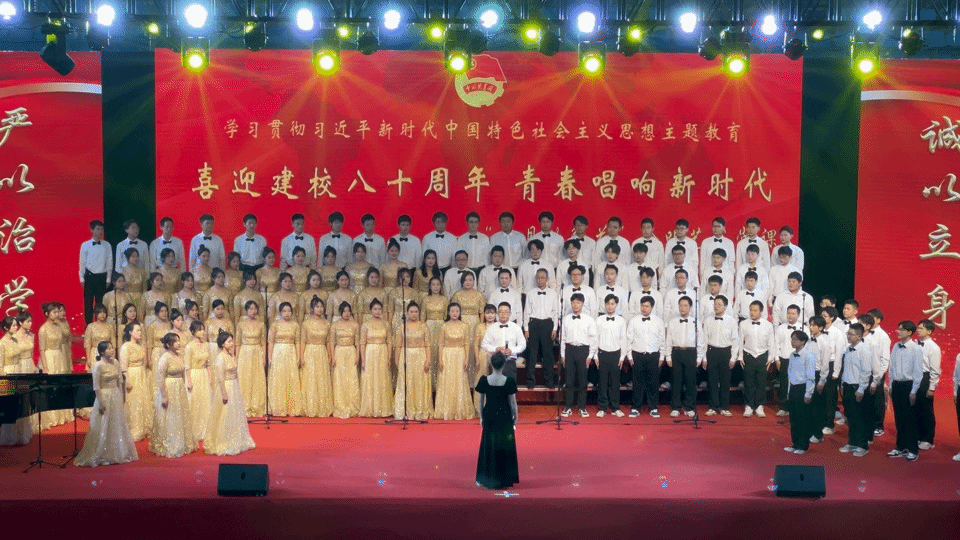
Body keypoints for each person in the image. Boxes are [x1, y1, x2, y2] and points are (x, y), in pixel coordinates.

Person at [75, 341, 138, 466]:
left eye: (112, 348)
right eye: (109, 348)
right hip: (104, 396)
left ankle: (117, 452)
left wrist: (121, 397)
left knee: (117, 422)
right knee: (103, 423)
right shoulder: (98, 366)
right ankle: (102, 453)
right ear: (102, 352)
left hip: (115, 395)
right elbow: (96, 386)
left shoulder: (116, 362)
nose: (112, 350)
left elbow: (119, 381)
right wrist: (101, 402)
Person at [205, 329, 257, 455]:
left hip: (234, 387)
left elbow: (236, 373)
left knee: (235, 413)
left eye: (232, 341)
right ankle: (224, 441)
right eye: (229, 341)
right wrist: (224, 393)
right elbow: (220, 378)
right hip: (226, 387)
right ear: (223, 344)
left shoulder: (231, 356)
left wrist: (238, 386)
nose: (232, 343)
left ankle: (237, 439)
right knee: (226, 413)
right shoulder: (220, 358)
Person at [475, 352, 519, 490]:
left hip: (489, 415)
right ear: (504, 364)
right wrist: (515, 417)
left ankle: (487, 477)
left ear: (491, 363)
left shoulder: (484, 380)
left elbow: (480, 402)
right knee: (505, 445)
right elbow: (513, 403)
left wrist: (481, 417)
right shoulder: (509, 381)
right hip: (504, 416)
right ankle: (505, 478)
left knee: (489, 445)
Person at [149, 332, 197, 457]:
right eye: (175, 341)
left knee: (180, 414)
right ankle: (169, 443)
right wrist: (164, 396)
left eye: (178, 340)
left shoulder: (179, 356)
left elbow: (183, 372)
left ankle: (182, 442)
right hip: (169, 387)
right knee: (170, 415)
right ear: (169, 344)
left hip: (179, 388)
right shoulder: (164, 358)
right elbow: (160, 378)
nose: (178, 343)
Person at [886, 320, 924, 461]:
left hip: (909, 385)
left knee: (910, 418)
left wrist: (914, 391)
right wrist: (890, 385)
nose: (898, 331)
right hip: (897, 385)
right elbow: (892, 367)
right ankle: (900, 447)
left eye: (901, 329)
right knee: (899, 417)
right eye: (898, 329)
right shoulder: (896, 346)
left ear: (909, 332)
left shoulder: (916, 348)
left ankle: (913, 449)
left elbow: (918, 372)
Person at [434, 303, 476, 420]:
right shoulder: (444, 326)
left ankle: (459, 409)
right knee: (447, 380)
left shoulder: (464, 326)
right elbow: (440, 343)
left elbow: (467, 343)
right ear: (448, 312)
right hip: (447, 355)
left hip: (460, 355)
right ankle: (446, 410)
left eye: (457, 311)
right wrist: (440, 359)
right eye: (452, 311)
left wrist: (467, 358)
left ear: (460, 312)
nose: (454, 313)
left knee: (459, 380)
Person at [559, 293, 598, 418]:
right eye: (573, 302)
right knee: (569, 380)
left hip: (583, 350)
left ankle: (582, 407)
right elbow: (563, 338)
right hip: (569, 350)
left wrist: (590, 355)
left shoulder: (589, 320)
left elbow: (593, 339)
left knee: (582, 381)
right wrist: (563, 354)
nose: (575, 305)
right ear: (571, 304)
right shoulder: (566, 319)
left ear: (582, 304)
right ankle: (568, 406)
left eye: (578, 302)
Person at [700, 295, 739, 417]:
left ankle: (724, 407)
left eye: (719, 304)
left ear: (725, 306)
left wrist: (733, 358)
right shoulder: (708, 320)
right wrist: (704, 357)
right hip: (712, 351)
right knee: (712, 381)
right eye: (715, 304)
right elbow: (704, 340)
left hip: (726, 352)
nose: (716, 306)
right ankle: (713, 406)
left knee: (725, 382)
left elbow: (735, 340)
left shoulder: (732, 321)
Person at [626, 296, 665, 418]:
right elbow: (629, 339)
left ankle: (653, 407)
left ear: (652, 307)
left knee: (653, 383)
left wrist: (662, 356)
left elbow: (662, 340)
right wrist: (629, 356)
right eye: (642, 305)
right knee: (637, 383)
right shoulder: (634, 321)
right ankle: (636, 407)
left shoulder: (658, 321)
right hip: (637, 355)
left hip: (653, 355)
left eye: (647, 306)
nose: (644, 308)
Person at [393, 302, 432, 420]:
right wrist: (397, 361)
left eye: (416, 312)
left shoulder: (424, 326)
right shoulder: (402, 327)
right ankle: (406, 410)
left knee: (420, 383)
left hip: (420, 356)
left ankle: (420, 409)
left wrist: (428, 360)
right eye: (411, 312)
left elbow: (427, 345)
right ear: (407, 313)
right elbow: (398, 346)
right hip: (406, 356)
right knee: (406, 383)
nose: (414, 314)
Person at [839, 323, 872, 457]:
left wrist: (861, 389)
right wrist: (842, 384)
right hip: (847, 386)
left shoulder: (864, 350)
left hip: (858, 387)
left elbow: (866, 371)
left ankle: (862, 445)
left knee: (860, 417)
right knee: (850, 416)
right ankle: (852, 442)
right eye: (848, 334)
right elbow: (846, 368)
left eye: (851, 334)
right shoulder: (848, 349)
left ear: (859, 336)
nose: (848, 336)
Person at [738, 301, 776, 418]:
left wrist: (771, 357)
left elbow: (771, 342)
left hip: (762, 355)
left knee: (761, 382)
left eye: (755, 310)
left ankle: (760, 405)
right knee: (748, 381)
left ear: (761, 311)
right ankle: (748, 405)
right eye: (751, 310)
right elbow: (740, 341)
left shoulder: (768, 325)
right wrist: (740, 356)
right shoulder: (743, 324)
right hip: (748, 354)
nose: (752, 312)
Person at [523, 268, 559, 389]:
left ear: (547, 279)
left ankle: (549, 381)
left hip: (547, 324)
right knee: (531, 355)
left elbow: (555, 312)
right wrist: (526, 329)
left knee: (548, 355)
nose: (540, 280)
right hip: (534, 323)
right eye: (538, 277)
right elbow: (527, 312)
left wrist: (555, 328)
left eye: (542, 277)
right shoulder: (530, 293)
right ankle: (530, 381)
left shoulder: (553, 294)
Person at [665, 296, 701, 417]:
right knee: (676, 381)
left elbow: (700, 341)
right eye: (680, 305)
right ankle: (676, 407)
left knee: (690, 381)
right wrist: (668, 356)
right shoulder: (673, 322)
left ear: (690, 307)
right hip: (676, 352)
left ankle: (689, 407)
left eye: (685, 305)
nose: (682, 308)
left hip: (691, 353)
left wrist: (699, 357)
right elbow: (669, 339)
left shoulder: (696, 322)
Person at [38, 304, 72, 428]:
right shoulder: (43, 329)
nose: (57, 314)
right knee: (51, 387)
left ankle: (61, 415)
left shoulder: (59, 327)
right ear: (47, 314)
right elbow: (42, 350)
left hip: (59, 356)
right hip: (49, 357)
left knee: (61, 385)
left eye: (57, 312)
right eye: (54, 312)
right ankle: (51, 417)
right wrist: (45, 367)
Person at [299, 296, 334, 417]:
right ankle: (310, 406)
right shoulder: (306, 323)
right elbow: (303, 341)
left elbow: (328, 341)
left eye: (321, 307)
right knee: (310, 378)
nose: (320, 309)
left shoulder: (327, 323)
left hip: (322, 352)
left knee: (322, 378)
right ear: (312, 309)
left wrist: (330, 355)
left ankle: (322, 406)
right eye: (317, 307)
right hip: (309, 352)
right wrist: (301, 356)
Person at [358, 299, 393, 417]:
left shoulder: (386, 324)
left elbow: (389, 342)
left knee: (382, 378)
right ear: (370, 310)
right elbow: (362, 343)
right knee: (370, 378)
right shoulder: (365, 325)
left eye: (379, 309)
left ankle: (382, 408)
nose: (377, 311)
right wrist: (363, 360)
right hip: (370, 353)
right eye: (375, 309)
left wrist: (389, 357)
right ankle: (370, 407)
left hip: (382, 352)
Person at [0, 317, 32, 445]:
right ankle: (8, 437)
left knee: (21, 404)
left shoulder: (15, 340)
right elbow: (0, 365)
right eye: (13, 325)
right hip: (8, 374)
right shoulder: (2, 343)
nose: (16, 327)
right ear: (6, 328)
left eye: (15, 325)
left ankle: (21, 434)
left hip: (18, 371)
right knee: (10, 406)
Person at [783, 331, 816, 455]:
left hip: (803, 388)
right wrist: (788, 391)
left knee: (803, 418)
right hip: (793, 388)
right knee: (794, 418)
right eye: (792, 339)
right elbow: (790, 373)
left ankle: (803, 445)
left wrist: (808, 393)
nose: (792, 342)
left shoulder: (808, 355)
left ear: (803, 341)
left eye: (795, 339)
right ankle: (795, 443)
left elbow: (811, 376)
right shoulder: (792, 355)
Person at [595, 295, 628, 417]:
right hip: (602, 353)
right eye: (608, 304)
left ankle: (615, 407)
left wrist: (622, 356)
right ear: (604, 305)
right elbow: (595, 338)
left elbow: (623, 339)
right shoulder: (599, 320)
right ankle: (602, 408)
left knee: (615, 383)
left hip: (616, 354)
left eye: (612, 304)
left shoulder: (621, 321)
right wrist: (595, 355)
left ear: (616, 305)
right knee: (602, 382)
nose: (610, 306)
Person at [268, 302, 303, 417]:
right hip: (278, 352)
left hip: (291, 352)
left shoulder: (295, 325)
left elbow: (297, 342)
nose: (287, 313)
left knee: (291, 378)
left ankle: (291, 407)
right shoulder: (275, 325)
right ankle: (278, 407)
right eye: (284, 311)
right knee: (279, 378)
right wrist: (270, 357)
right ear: (280, 313)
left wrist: (298, 356)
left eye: (289, 311)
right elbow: (271, 342)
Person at [119, 322, 152, 441]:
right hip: (132, 374)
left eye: (140, 330)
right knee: (133, 401)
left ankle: (144, 427)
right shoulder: (125, 347)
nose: (140, 333)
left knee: (143, 399)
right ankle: (134, 428)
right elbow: (123, 366)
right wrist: (127, 380)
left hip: (141, 374)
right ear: (130, 332)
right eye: (137, 330)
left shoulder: (140, 346)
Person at [774, 305, 808, 416]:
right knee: (784, 383)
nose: (790, 316)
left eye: (793, 313)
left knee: (797, 383)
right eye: (788, 313)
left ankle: (796, 406)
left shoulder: (804, 328)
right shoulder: (780, 328)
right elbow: (776, 344)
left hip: (799, 359)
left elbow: (807, 345)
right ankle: (784, 407)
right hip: (784, 358)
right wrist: (777, 358)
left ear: (798, 315)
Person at [480, 302, 526, 382]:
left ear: (510, 313)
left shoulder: (516, 327)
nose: (503, 314)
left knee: (510, 386)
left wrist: (512, 350)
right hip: (495, 362)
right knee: (495, 387)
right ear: (497, 313)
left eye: (506, 312)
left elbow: (523, 344)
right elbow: (484, 344)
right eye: (501, 312)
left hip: (510, 361)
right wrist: (495, 349)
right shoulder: (492, 328)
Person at [330, 302, 361, 418]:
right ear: (340, 312)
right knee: (339, 378)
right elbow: (331, 342)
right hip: (339, 351)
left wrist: (357, 356)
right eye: (344, 311)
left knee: (351, 378)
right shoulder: (335, 325)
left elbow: (357, 342)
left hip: (351, 351)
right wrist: (333, 356)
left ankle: (352, 405)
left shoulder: (355, 325)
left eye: (348, 311)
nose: (347, 313)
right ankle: (340, 405)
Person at [236, 300, 267, 417]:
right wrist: (237, 358)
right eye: (251, 309)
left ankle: (256, 405)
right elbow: (237, 343)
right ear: (246, 310)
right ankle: (244, 406)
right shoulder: (241, 324)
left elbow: (263, 342)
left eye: (255, 309)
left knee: (256, 378)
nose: (253, 311)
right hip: (244, 353)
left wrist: (264, 357)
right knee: (245, 378)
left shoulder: (261, 324)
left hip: (257, 352)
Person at [183, 321, 212, 443]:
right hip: (194, 375)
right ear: (193, 332)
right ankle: (193, 431)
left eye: (203, 330)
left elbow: (209, 363)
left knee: (205, 402)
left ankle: (205, 431)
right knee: (194, 403)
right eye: (200, 330)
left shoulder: (207, 345)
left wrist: (210, 378)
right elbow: (187, 366)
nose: (203, 332)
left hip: (204, 375)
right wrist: (189, 381)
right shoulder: (189, 347)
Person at [79, 219, 112, 324]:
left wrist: (108, 278)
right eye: (97, 229)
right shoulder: (85, 245)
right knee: (88, 302)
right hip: (89, 276)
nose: (100, 231)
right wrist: (81, 278)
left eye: (101, 229)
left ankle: (100, 324)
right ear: (92, 230)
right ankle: (88, 325)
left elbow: (109, 262)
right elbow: (82, 262)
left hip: (102, 276)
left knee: (101, 302)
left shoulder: (107, 245)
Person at [915, 319, 941, 451]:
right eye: (918, 328)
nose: (918, 330)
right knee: (915, 408)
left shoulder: (934, 348)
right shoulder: (914, 344)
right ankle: (918, 435)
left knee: (926, 409)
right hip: (914, 378)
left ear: (929, 331)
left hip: (925, 378)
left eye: (921, 328)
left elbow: (935, 370)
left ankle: (928, 439)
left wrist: (931, 387)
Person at [473, 304, 498, 413]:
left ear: (496, 314)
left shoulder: (498, 326)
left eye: (492, 313)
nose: (490, 315)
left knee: (495, 380)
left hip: (495, 356)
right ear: (484, 314)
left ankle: (494, 406)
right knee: (482, 380)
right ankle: (480, 407)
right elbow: (475, 344)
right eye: (487, 313)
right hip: (482, 354)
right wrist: (477, 358)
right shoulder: (480, 326)